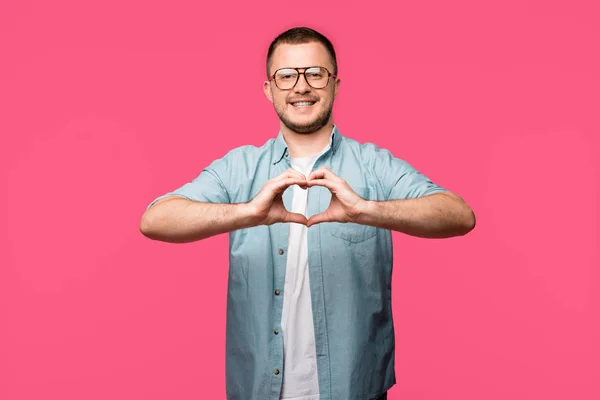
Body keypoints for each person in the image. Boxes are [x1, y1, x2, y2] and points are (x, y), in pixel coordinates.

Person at [140, 26, 476, 400]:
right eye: (286, 76)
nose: (301, 87)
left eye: (315, 73)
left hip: (354, 388)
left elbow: (459, 215)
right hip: (258, 389)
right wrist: (248, 212)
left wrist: (367, 210)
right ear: (269, 89)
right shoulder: (239, 168)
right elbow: (155, 219)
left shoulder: (374, 165)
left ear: (335, 84)